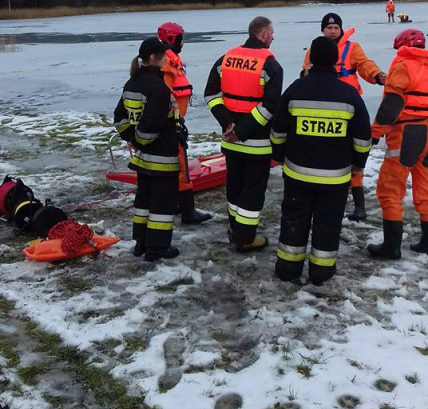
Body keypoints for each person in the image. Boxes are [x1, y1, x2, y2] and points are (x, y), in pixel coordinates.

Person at [272, 36, 372, 285]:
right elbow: (363, 136)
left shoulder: (295, 89)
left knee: (294, 219)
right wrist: (359, 162)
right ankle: (321, 272)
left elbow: (278, 131)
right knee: (328, 222)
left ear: (311, 59)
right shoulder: (349, 94)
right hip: (335, 177)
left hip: (297, 174)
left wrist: (279, 155)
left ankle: (288, 269)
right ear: (337, 61)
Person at [204, 16, 283, 252]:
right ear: (263, 34)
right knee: (253, 190)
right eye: (272, 32)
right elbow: (271, 107)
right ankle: (245, 238)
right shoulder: (270, 65)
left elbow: (210, 94)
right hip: (256, 143)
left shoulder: (226, 59)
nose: (273, 37)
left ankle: (234, 228)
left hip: (230, 141)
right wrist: (242, 130)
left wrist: (228, 124)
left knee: (234, 186)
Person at [302, 13, 386, 222]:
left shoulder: (352, 48)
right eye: (329, 28)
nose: (332, 30)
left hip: (348, 106)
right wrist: (306, 74)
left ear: (340, 29)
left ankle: (359, 206)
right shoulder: (314, 49)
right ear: (323, 30)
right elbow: (305, 71)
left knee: (352, 151)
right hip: (323, 106)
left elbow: (365, 65)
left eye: (336, 28)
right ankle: (324, 194)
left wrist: (377, 76)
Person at [114, 37, 180, 261]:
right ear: (153, 58)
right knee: (162, 205)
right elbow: (151, 124)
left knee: (144, 201)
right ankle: (157, 248)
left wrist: (131, 137)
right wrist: (140, 139)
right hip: (161, 156)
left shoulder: (131, 83)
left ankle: (141, 243)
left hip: (142, 159)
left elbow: (119, 118)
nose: (166, 59)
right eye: (163, 56)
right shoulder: (157, 88)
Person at [368, 28, 428, 259]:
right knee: (425, 188)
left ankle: (391, 247)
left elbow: (392, 105)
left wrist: (374, 134)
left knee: (390, 190)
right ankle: (426, 241)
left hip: (406, 134)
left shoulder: (403, 65)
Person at [158, 21, 212, 225]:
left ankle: (177, 204)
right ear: (171, 39)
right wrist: (174, 125)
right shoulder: (166, 63)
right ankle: (188, 211)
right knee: (181, 168)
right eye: (180, 39)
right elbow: (164, 97)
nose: (182, 43)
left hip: (175, 121)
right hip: (170, 125)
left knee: (176, 167)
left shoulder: (171, 60)